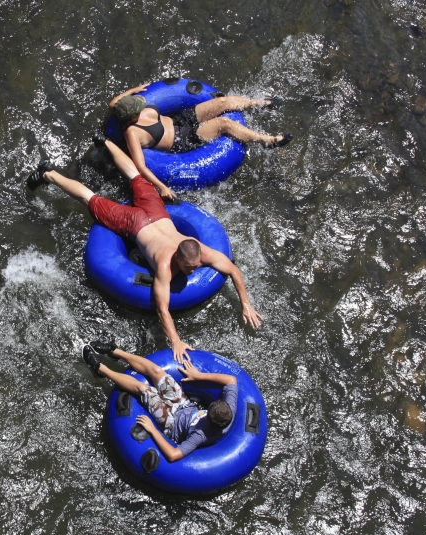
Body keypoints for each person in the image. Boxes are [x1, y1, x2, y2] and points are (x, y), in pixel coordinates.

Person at [26, 136, 261, 362]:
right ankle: (49, 173)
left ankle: (104, 142)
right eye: (190, 267)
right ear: (178, 257)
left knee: (136, 176)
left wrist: (246, 303)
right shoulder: (164, 265)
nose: (195, 269)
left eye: (196, 265)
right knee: (90, 198)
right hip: (134, 223)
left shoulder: (198, 251)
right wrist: (176, 341)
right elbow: (162, 309)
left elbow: (233, 270)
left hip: (156, 213)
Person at [110, 84, 293, 201]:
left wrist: (132, 92)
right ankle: (267, 141)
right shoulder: (132, 133)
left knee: (223, 101)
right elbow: (141, 166)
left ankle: (262, 103)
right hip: (183, 140)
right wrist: (162, 187)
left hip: (180, 120)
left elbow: (113, 102)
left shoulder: (122, 109)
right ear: (132, 117)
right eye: (137, 107)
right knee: (225, 124)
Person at [82, 340, 237, 461]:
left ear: (209, 411)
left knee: (144, 389)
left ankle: (101, 370)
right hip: (184, 404)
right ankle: (115, 352)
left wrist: (153, 430)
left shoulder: (201, 435)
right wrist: (198, 376)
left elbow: (173, 455)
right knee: (157, 372)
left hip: (171, 422)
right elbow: (231, 380)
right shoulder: (229, 409)